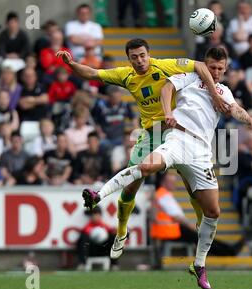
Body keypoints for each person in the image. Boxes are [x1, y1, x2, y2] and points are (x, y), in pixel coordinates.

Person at [81, 47, 252, 289]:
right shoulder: (189, 76)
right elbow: (167, 88)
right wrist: (168, 113)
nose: (216, 71)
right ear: (205, 65)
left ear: (226, 68)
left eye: (221, 68)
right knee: (146, 167)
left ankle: (199, 264)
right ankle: (98, 195)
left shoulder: (225, 91)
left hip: (201, 151)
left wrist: (250, 121)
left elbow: (235, 109)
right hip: (178, 138)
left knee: (214, 212)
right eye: (212, 67)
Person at [57, 38, 228, 265]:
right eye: (134, 57)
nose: (139, 61)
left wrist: (215, 97)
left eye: (142, 55)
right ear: (129, 59)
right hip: (149, 135)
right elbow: (92, 74)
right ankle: (121, 232)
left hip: (176, 132)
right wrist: (71, 65)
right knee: (130, 188)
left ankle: (200, 228)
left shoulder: (166, 65)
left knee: (192, 186)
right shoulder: (125, 75)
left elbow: (200, 65)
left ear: (149, 54)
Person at [151, 171, 244, 268]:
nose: (175, 182)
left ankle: (227, 250)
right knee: (202, 236)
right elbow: (177, 217)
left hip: (169, 229)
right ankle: (228, 251)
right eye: (171, 178)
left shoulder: (161, 194)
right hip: (170, 230)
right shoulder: (164, 195)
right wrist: (191, 227)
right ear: (164, 181)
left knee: (201, 236)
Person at [76, 206, 117, 271]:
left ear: (99, 215)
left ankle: (114, 264)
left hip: (104, 250)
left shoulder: (106, 227)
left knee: (115, 239)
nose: (94, 216)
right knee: (82, 239)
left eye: (95, 214)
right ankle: (82, 263)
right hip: (91, 251)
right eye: (92, 214)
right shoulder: (86, 229)